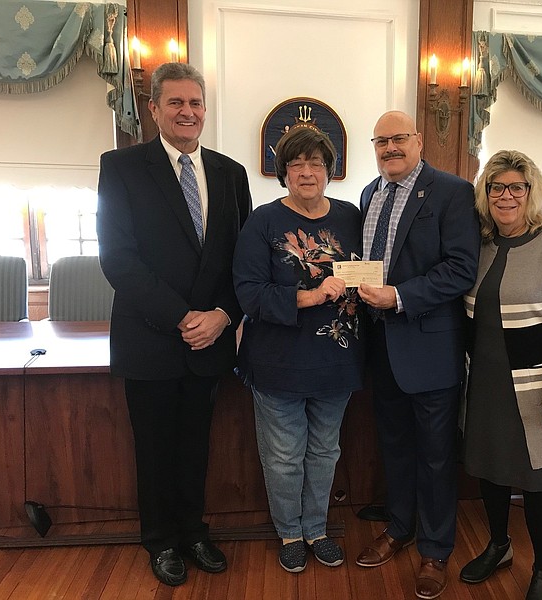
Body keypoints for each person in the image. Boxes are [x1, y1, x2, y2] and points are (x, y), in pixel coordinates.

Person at [96, 62, 251, 586]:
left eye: (196, 103)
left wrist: (224, 315)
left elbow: (245, 261)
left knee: (196, 446)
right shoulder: (121, 168)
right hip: (151, 337)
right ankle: (160, 541)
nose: (188, 112)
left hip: (212, 340)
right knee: (154, 447)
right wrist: (185, 317)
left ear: (205, 109)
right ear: (155, 108)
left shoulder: (231, 174)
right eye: (177, 103)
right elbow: (119, 260)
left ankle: (193, 531)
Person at [354, 111, 480, 600]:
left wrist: (399, 297)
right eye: (381, 140)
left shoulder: (451, 192)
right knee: (396, 448)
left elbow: (461, 268)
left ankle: (435, 550)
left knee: (435, 456)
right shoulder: (370, 193)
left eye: (398, 138)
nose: (390, 147)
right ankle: (399, 527)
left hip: (429, 349)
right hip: (380, 348)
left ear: (419, 140)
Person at [459, 150, 542, 600]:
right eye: (497, 187)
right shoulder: (480, 241)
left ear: (532, 192)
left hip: (538, 390)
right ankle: (499, 546)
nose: (507, 196)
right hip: (486, 385)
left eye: (517, 187)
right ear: (486, 193)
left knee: (539, 482)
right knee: (492, 473)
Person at [232, 125, 363, 573]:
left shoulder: (351, 216)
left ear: (330, 170)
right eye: (296, 164)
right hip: (278, 361)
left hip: (336, 359)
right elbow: (248, 293)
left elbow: (369, 272)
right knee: (285, 455)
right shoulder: (263, 220)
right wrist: (311, 295)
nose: (307, 172)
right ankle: (289, 531)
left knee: (325, 452)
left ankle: (317, 529)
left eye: (316, 163)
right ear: (282, 172)